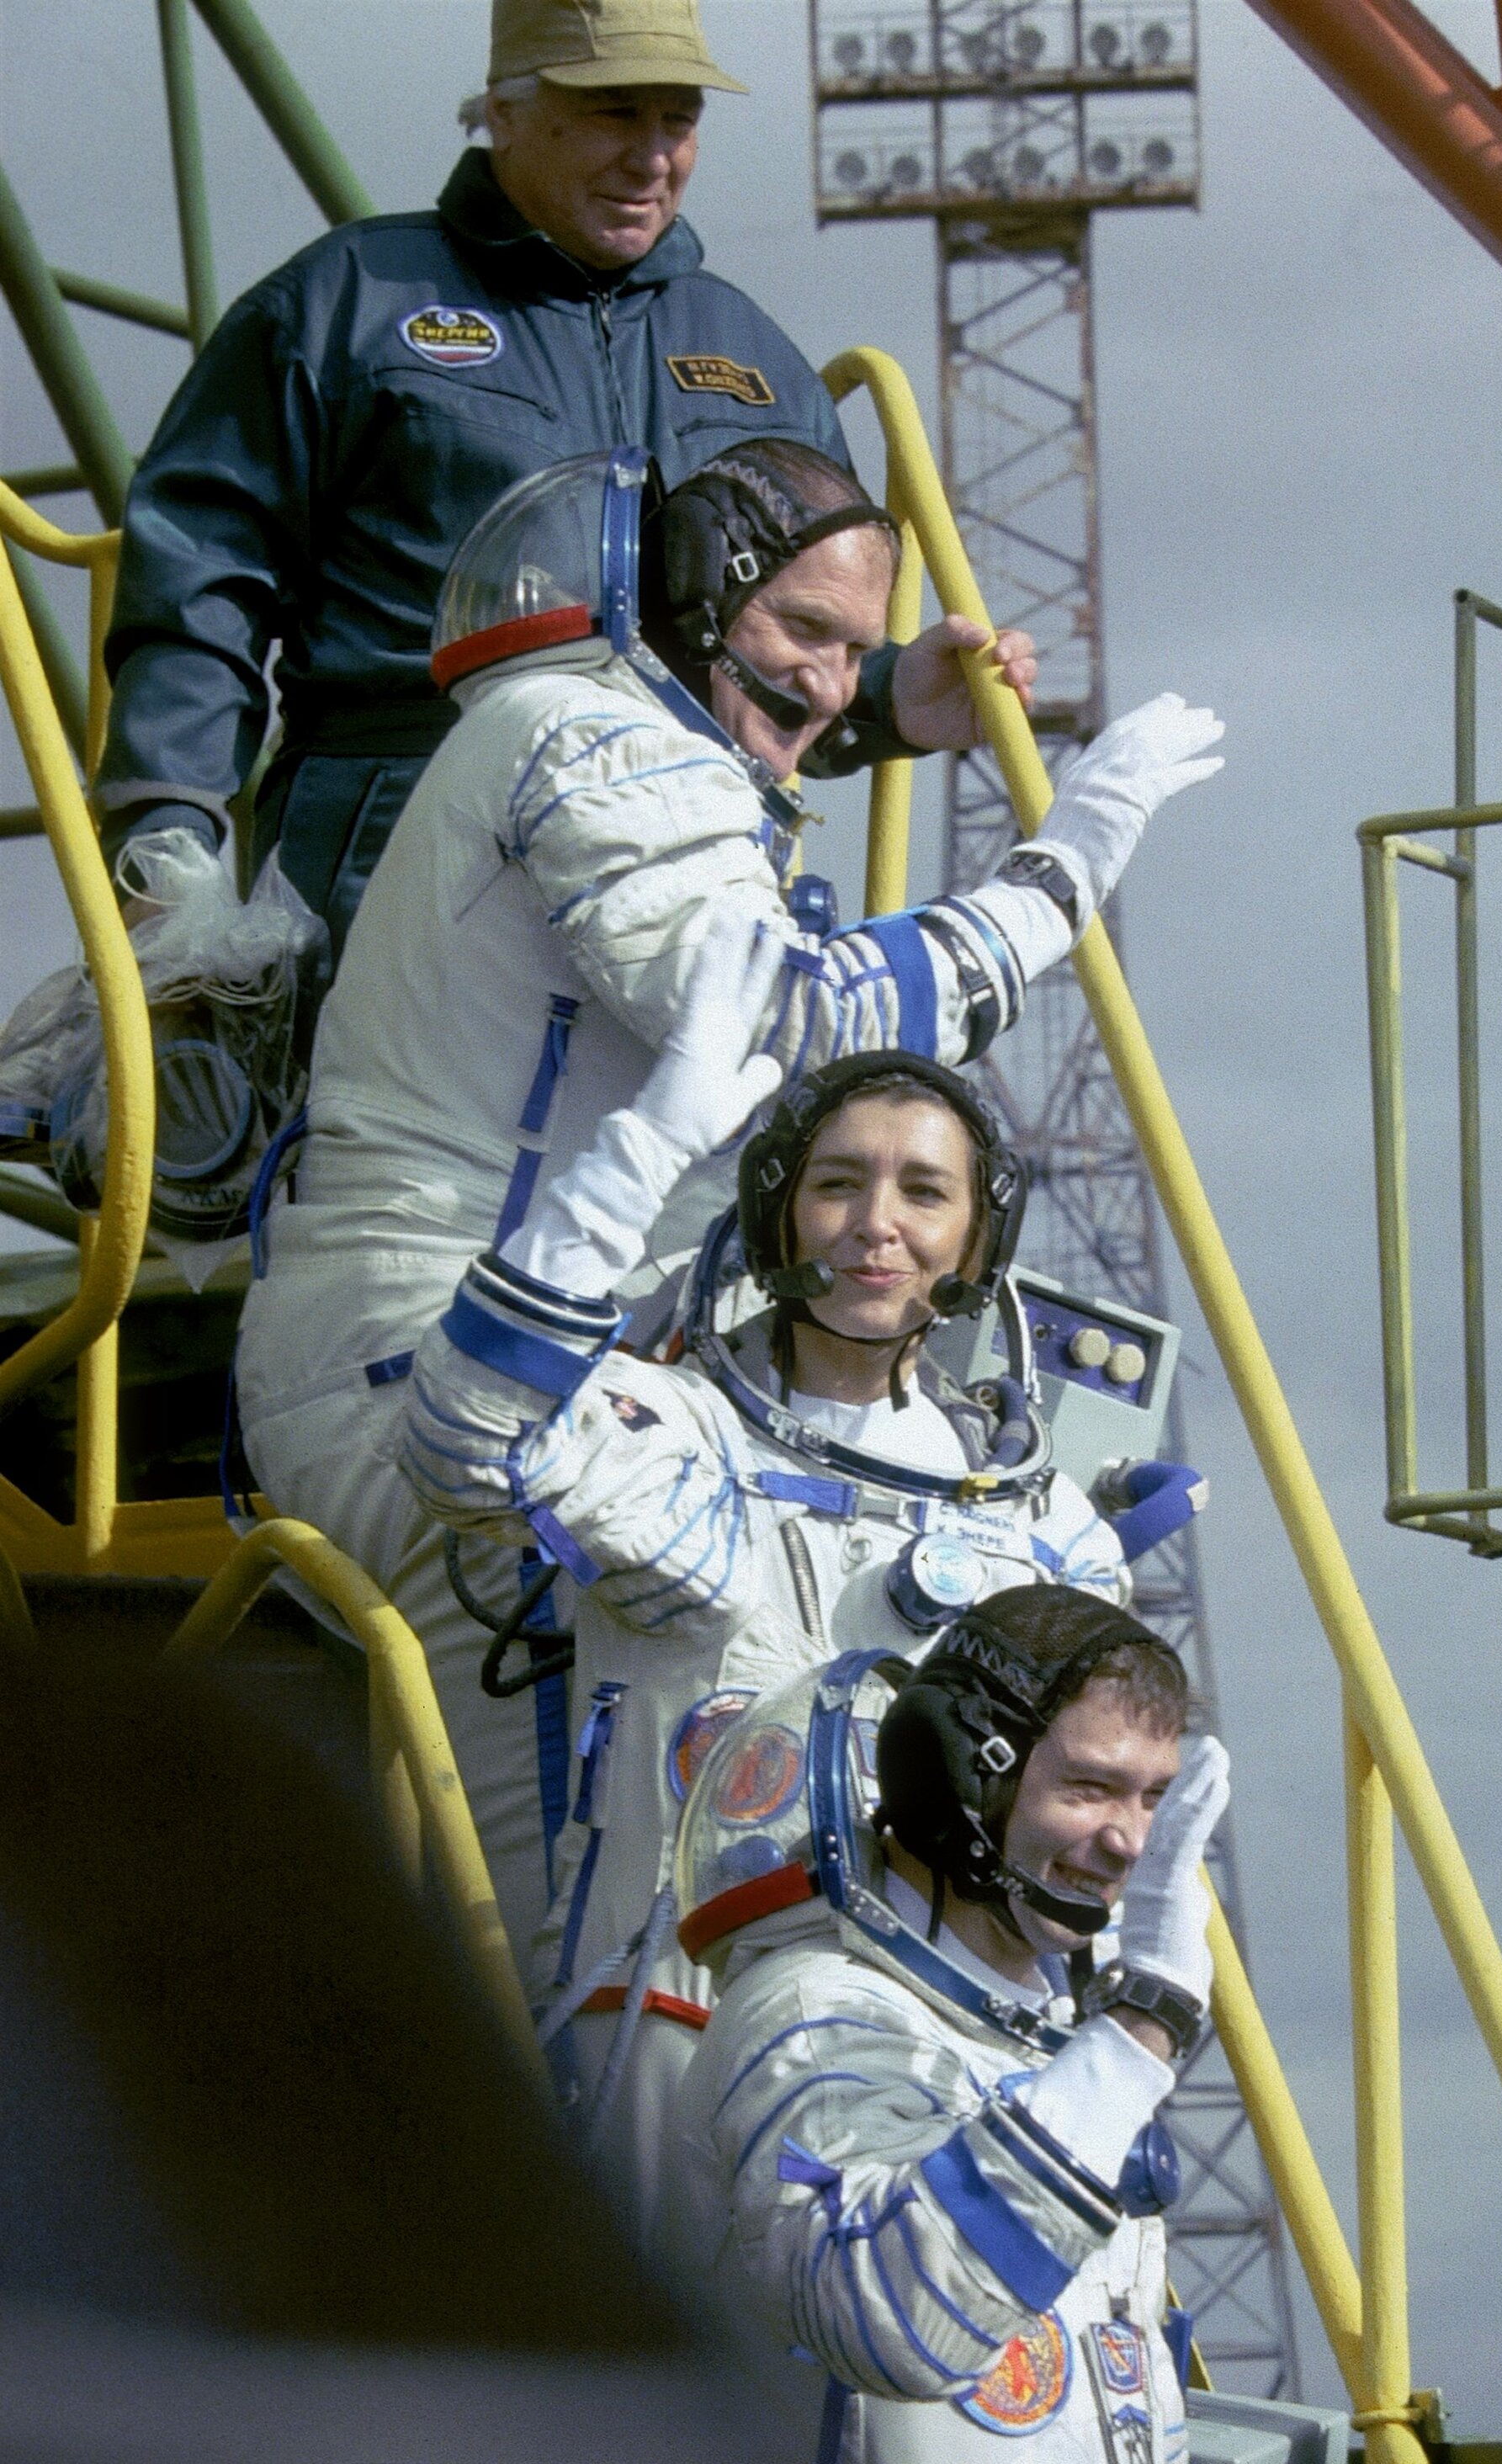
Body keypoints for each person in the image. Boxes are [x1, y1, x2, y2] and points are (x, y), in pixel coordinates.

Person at [234, 433, 1222, 2021]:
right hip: (441, 1356)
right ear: (692, 608)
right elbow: (780, 1013)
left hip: (515, 1341)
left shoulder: (615, 741)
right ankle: (566, 2212)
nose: (831, 688)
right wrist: (1060, 874)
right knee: (589, 1887)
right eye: (805, 638)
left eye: (855, 649)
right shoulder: (585, 740)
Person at [398, 953, 1146, 2236]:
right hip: (682, 2002)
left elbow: (1089, 1833)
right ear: (776, 1210)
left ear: (978, 1237)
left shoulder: (1043, 1528)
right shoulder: (668, 1432)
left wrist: (1112, 2062)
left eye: (925, 1192)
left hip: (960, 2044)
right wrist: (645, 1144)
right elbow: (463, 1436)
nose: (877, 1226)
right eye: (838, 1185)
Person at [93, 0, 1036, 953]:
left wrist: (891, 697)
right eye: (614, 112)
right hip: (401, 850)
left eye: (678, 119)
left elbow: (781, 659)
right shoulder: (347, 305)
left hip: (692, 864)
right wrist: (167, 840)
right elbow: (200, 583)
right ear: (503, 113)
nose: (652, 156)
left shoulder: (761, 364)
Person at [667, 1585, 1230, 2463]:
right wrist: (1141, 2027)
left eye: (1153, 1797)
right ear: (956, 1772)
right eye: (1090, 1787)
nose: (1129, 1842)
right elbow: (891, 2321)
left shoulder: (1046, 2040)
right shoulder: (811, 2014)